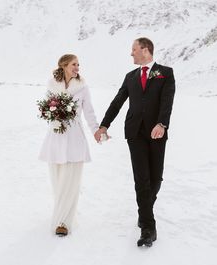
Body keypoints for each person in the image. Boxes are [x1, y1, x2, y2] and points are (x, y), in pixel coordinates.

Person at [94, 38, 175, 247]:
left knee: (156, 178)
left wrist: (162, 124)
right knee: (142, 179)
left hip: (157, 132)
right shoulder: (130, 77)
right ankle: (148, 227)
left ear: (145, 50)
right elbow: (117, 101)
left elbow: (167, 101)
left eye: (134, 49)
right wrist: (104, 125)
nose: (131, 54)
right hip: (135, 132)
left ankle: (145, 209)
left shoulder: (165, 73)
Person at [39, 54, 99, 236]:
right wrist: (53, 116)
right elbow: (46, 107)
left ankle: (63, 222)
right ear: (64, 65)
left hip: (75, 138)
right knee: (58, 179)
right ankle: (62, 211)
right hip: (55, 137)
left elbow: (89, 111)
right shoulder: (52, 84)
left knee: (71, 180)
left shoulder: (82, 87)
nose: (77, 68)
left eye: (78, 65)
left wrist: (96, 130)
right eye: (74, 64)